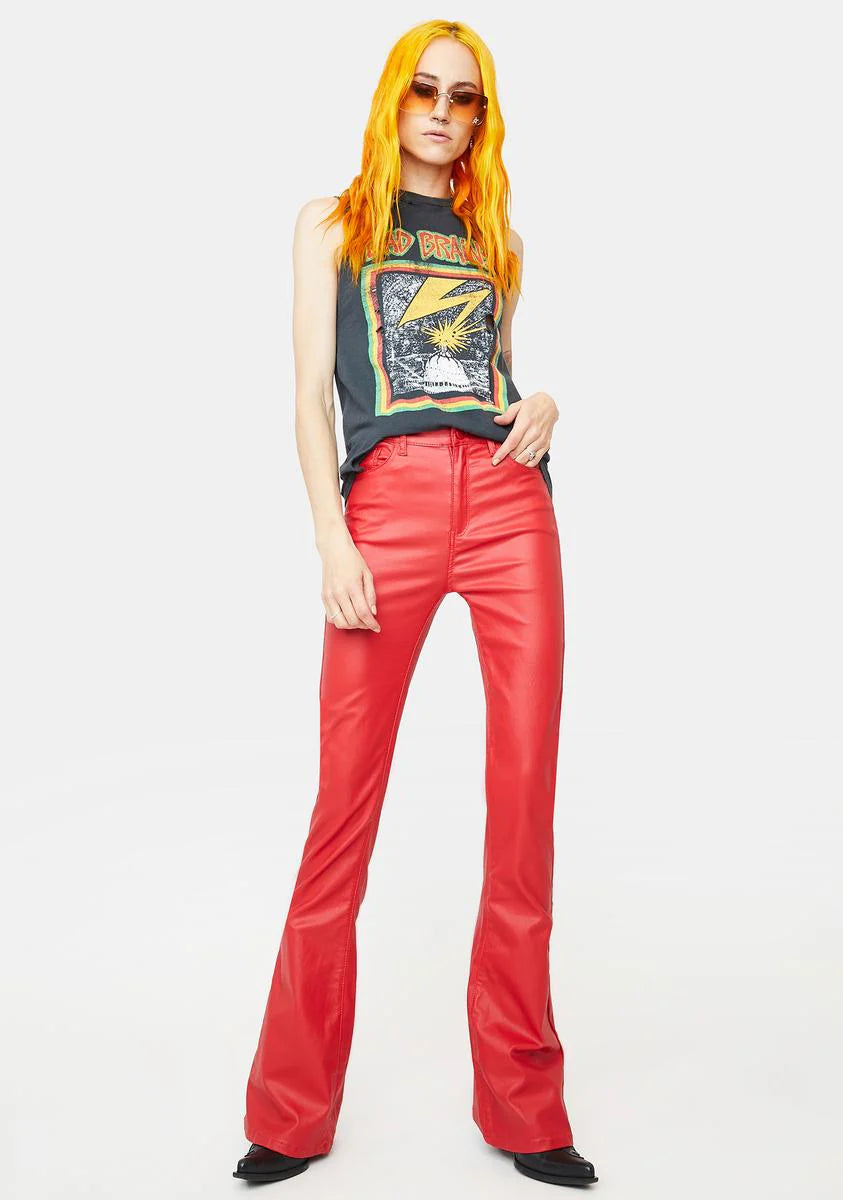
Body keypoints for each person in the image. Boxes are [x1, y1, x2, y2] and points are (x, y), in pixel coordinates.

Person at [233, 19, 598, 1189]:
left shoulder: (498, 239)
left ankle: (526, 1108)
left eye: (465, 98)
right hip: (383, 506)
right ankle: (290, 1113)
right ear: (394, 98)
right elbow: (308, 396)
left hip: (508, 505)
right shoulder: (332, 223)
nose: (443, 112)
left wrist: (541, 403)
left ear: (483, 119)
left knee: (524, 804)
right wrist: (330, 536)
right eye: (425, 91)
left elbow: (488, 373)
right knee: (343, 810)